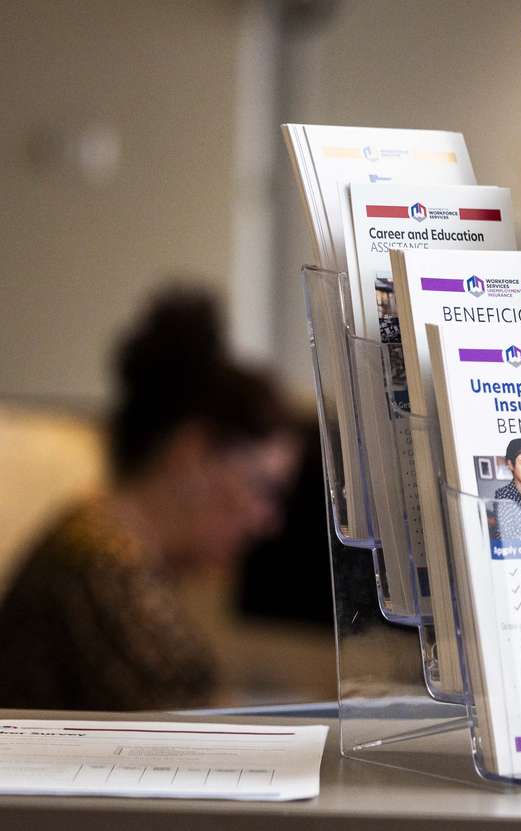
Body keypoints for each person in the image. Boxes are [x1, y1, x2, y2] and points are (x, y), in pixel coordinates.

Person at [0, 289, 299, 710]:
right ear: (192, 456)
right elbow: (197, 731)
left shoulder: (98, 548)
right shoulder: (102, 568)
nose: (267, 520)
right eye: (261, 487)